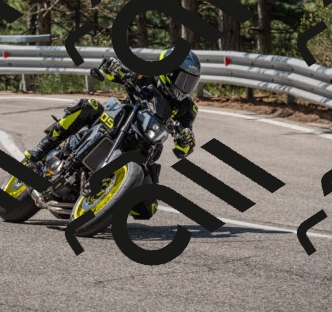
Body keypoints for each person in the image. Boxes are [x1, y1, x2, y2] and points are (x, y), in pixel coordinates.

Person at [24, 48, 201, 219]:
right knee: (86, 107)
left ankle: (110, 200)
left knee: (147, 208)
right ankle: (41, 149)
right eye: (182, 79)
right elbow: (112, 72)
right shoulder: (147, 73)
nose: (185, 86)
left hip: (145, 144)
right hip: (123, 118)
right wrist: (114, 67)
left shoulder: (187, 108)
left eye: (190, 81)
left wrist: (186, 140)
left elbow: (183, 148)